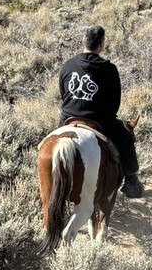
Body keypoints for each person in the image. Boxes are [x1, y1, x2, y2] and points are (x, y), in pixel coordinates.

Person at [58, 25, 143, 198]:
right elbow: (114, 104)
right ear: (101, 44)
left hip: (68, 118)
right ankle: (131, 182)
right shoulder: (109, 69)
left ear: (83, 42)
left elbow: (63, 93)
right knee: (126, 138)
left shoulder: (67, 66)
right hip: (99, 120)